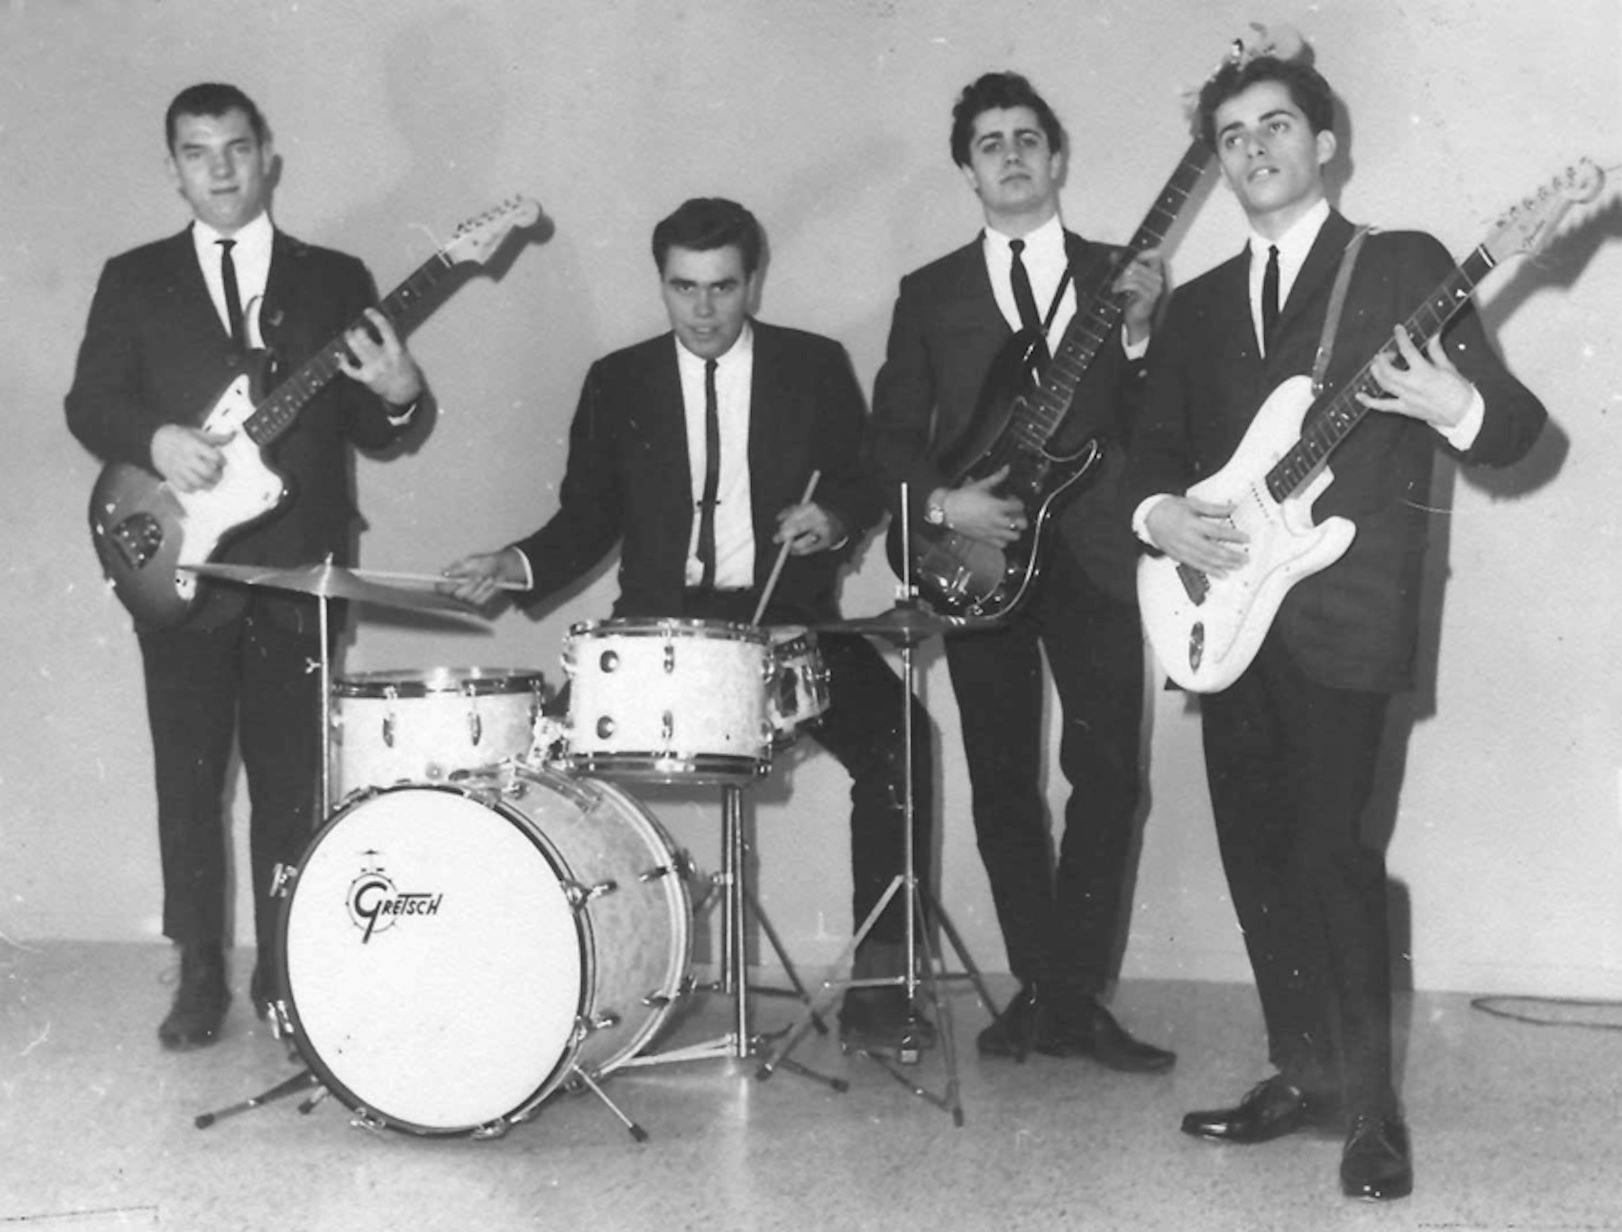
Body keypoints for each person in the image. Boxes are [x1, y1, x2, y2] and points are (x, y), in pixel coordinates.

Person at [1127, 50, 1546, 1201]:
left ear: (1323, 143)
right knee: (1257, 860)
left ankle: (1370, 1110)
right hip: (1225, 619)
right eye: (1229, 134)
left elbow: (1514, 430)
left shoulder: (1403, 265)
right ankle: (1302, 1074)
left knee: (1329, 855)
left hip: (1343, 616)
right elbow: (1148, 454)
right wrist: (1160, 516)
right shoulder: (1200, 305)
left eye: (1274, 124)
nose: (1253, 147)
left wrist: (1448, 402)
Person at [443, 197, 932, 1051]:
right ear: (661, 283)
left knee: (901, 746)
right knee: (541, 780)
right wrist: (513, 564)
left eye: (723, 288)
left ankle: (881, 988)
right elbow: (584, 520)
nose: (703, 311)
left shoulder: (813, 367)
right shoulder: (618, 380)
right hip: (655, 632)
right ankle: (546, 982)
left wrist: (836, 521)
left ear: (753, 282)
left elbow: (857, 480)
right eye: (684, 288)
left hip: (788, 621)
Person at [65, 83, 425, 1050]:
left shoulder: (335, 274)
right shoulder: (134, 277)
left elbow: (377, 429)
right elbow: (89, 404)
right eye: (196, 152)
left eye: (235, 148)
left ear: (269, 156)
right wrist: (154, 436)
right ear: (173, 166)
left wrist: (397, 394)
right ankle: (197, 977)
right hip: (179, 570)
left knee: (292, 788)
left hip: (297, 574)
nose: (219, 169)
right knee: (186, 786)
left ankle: (285, 967)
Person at [865, 71, 1174, 1072]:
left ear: (1056, 157)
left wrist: (1134, 334)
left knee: (1108, 777)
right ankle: (1036, 987)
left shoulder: (1117, 273)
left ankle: (1075, 995)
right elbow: (888, 438)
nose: (1010, 153)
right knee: (1003, 783)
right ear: (966, 168)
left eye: (1027, 137)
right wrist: (941, 505)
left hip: (1086, 551)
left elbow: (1154, 421)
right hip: (980, 556)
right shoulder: (929, 294)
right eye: (989, 141)